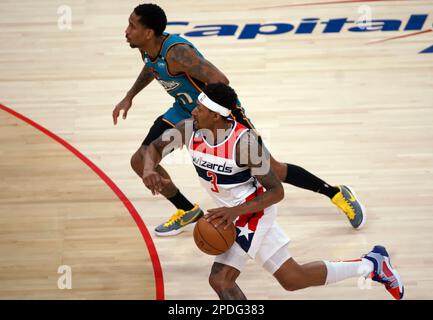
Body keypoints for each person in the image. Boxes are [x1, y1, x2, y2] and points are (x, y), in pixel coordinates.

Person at [113, 3, 365, 236]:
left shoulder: (178, 53)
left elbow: (221, 80)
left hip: (215, 112)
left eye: (133, 26)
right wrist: (129, 96)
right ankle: (187, 210)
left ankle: (335, 193)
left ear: (149, 32)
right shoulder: (148, 49)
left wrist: (207, 112)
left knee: (273, 169)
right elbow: (151, 67)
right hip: (184, 108)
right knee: (140, 159)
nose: (127, 30)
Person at [142, 83, 404, 300]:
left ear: (216, 115)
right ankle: (372, 264)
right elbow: (153, 148)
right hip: (228, 212)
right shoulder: (188, 129)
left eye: (200, 108)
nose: (194, 111)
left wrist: (235, 211)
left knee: (221, 280)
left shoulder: (243, 144)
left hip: (251, 210)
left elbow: (276, 192)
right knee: (293, 279)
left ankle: (372, 263)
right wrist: (149, 170)